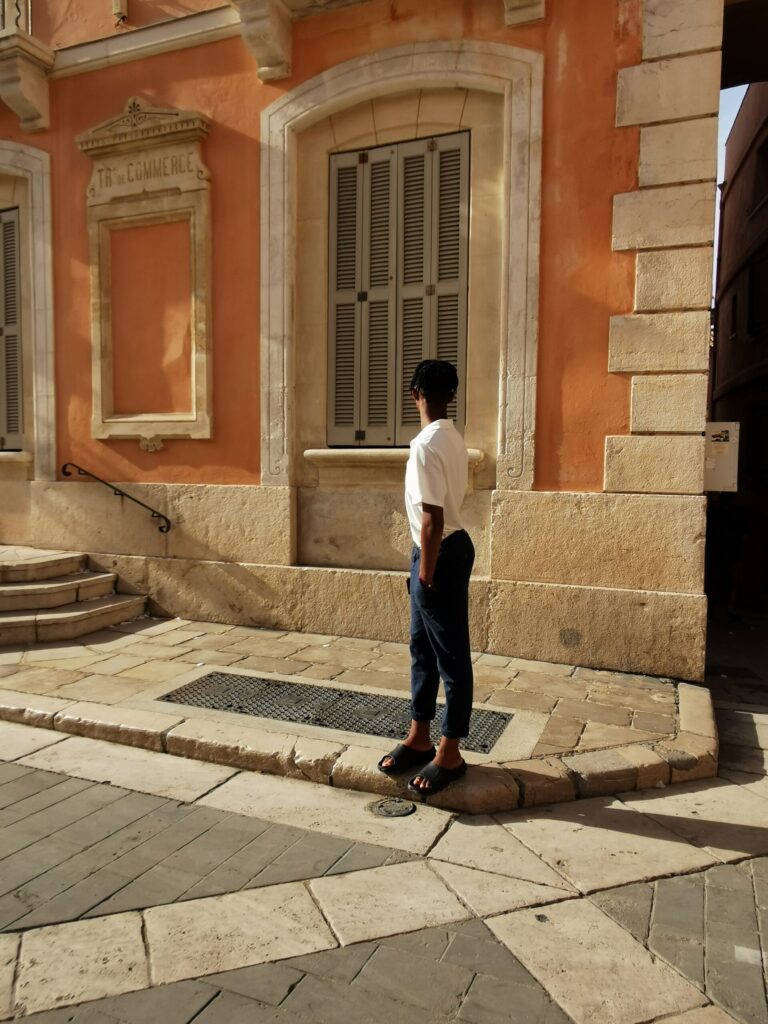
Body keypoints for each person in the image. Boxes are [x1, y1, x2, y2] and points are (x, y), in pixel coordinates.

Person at [378, 359, 475, 799]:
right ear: (449, 394)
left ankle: (450, 751)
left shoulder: (424, 444)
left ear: (415, 393)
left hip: (440, 550)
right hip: (448, 547)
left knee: (450, 656)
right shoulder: (453, 438)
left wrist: (425, 571)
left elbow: (432, 518)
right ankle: (419, 736)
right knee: (423, 648)